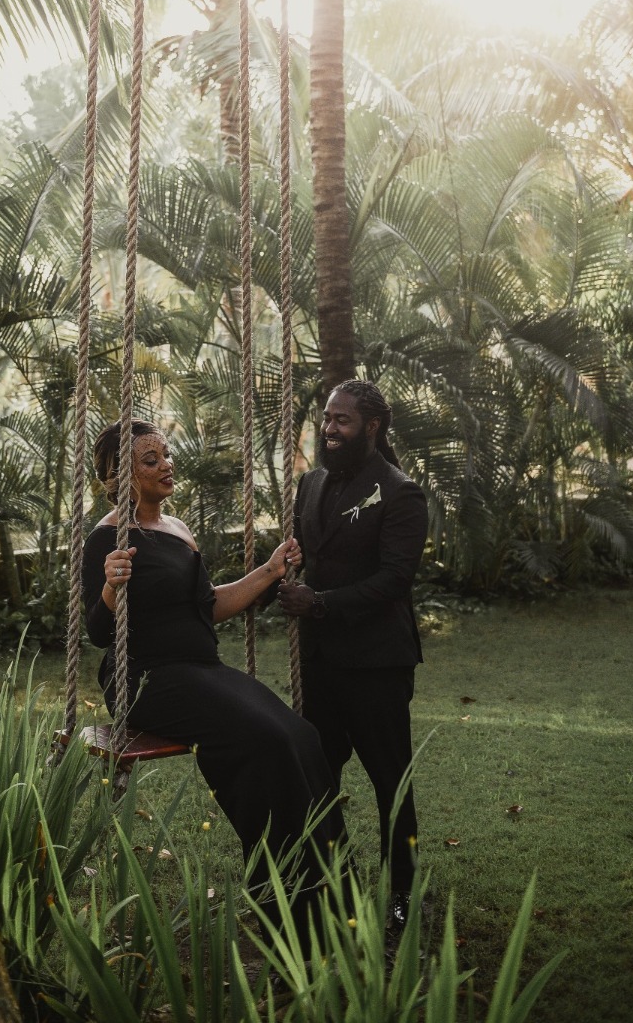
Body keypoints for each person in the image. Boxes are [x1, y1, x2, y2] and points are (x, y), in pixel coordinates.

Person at [81, 418, 347, 949]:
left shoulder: (178, 530)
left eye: (166, 455)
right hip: (147, 679)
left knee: (301, 735)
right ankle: (281, 893)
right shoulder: (106, 539)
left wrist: (271, 571)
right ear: (119, 476)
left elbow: (209, 606)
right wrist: (111, 588)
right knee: (265, 740)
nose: (166, 465)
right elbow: (96, 632)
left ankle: (328, 891)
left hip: (200, 671)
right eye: (150, 460)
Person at [278, 380, 428, 930]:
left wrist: (317, 603)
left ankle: (402, 894)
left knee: (391, 781)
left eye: (342, 420)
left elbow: (394, 580)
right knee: (320, 778)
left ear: (373, 427)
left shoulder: (400, 491)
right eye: (326, 419)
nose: (330, 428)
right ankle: (330, 883)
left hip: (377, 665)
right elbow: (306, 553)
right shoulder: (309, 483)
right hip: (321, 665)